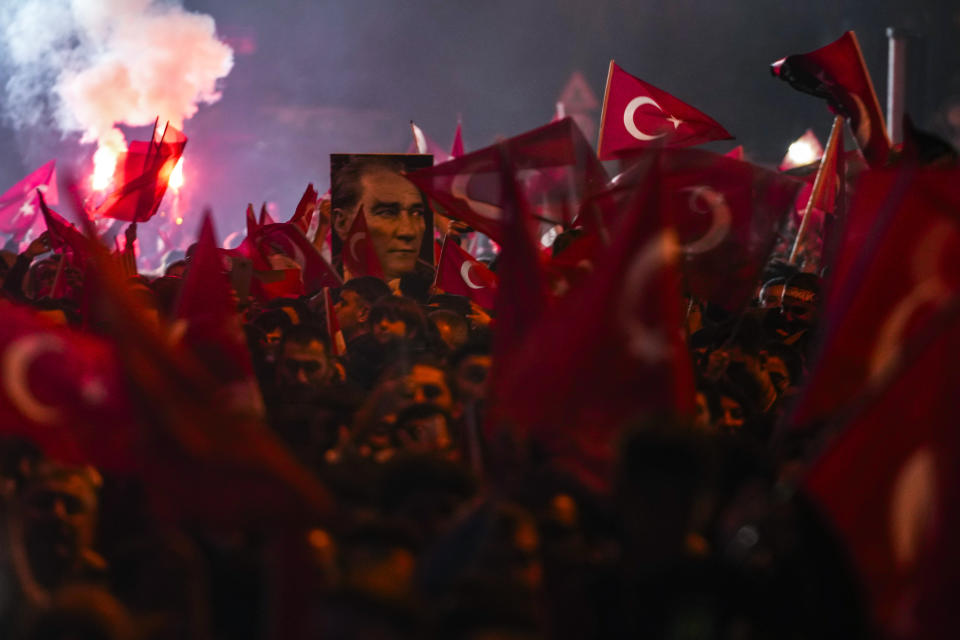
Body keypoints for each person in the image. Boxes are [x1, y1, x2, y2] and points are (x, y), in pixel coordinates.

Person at [331, 157, 431, 281]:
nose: (408, 232)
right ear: (342, 223)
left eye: (416, 213)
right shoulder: (314, 291)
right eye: (387, 213)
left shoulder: (442, 288)